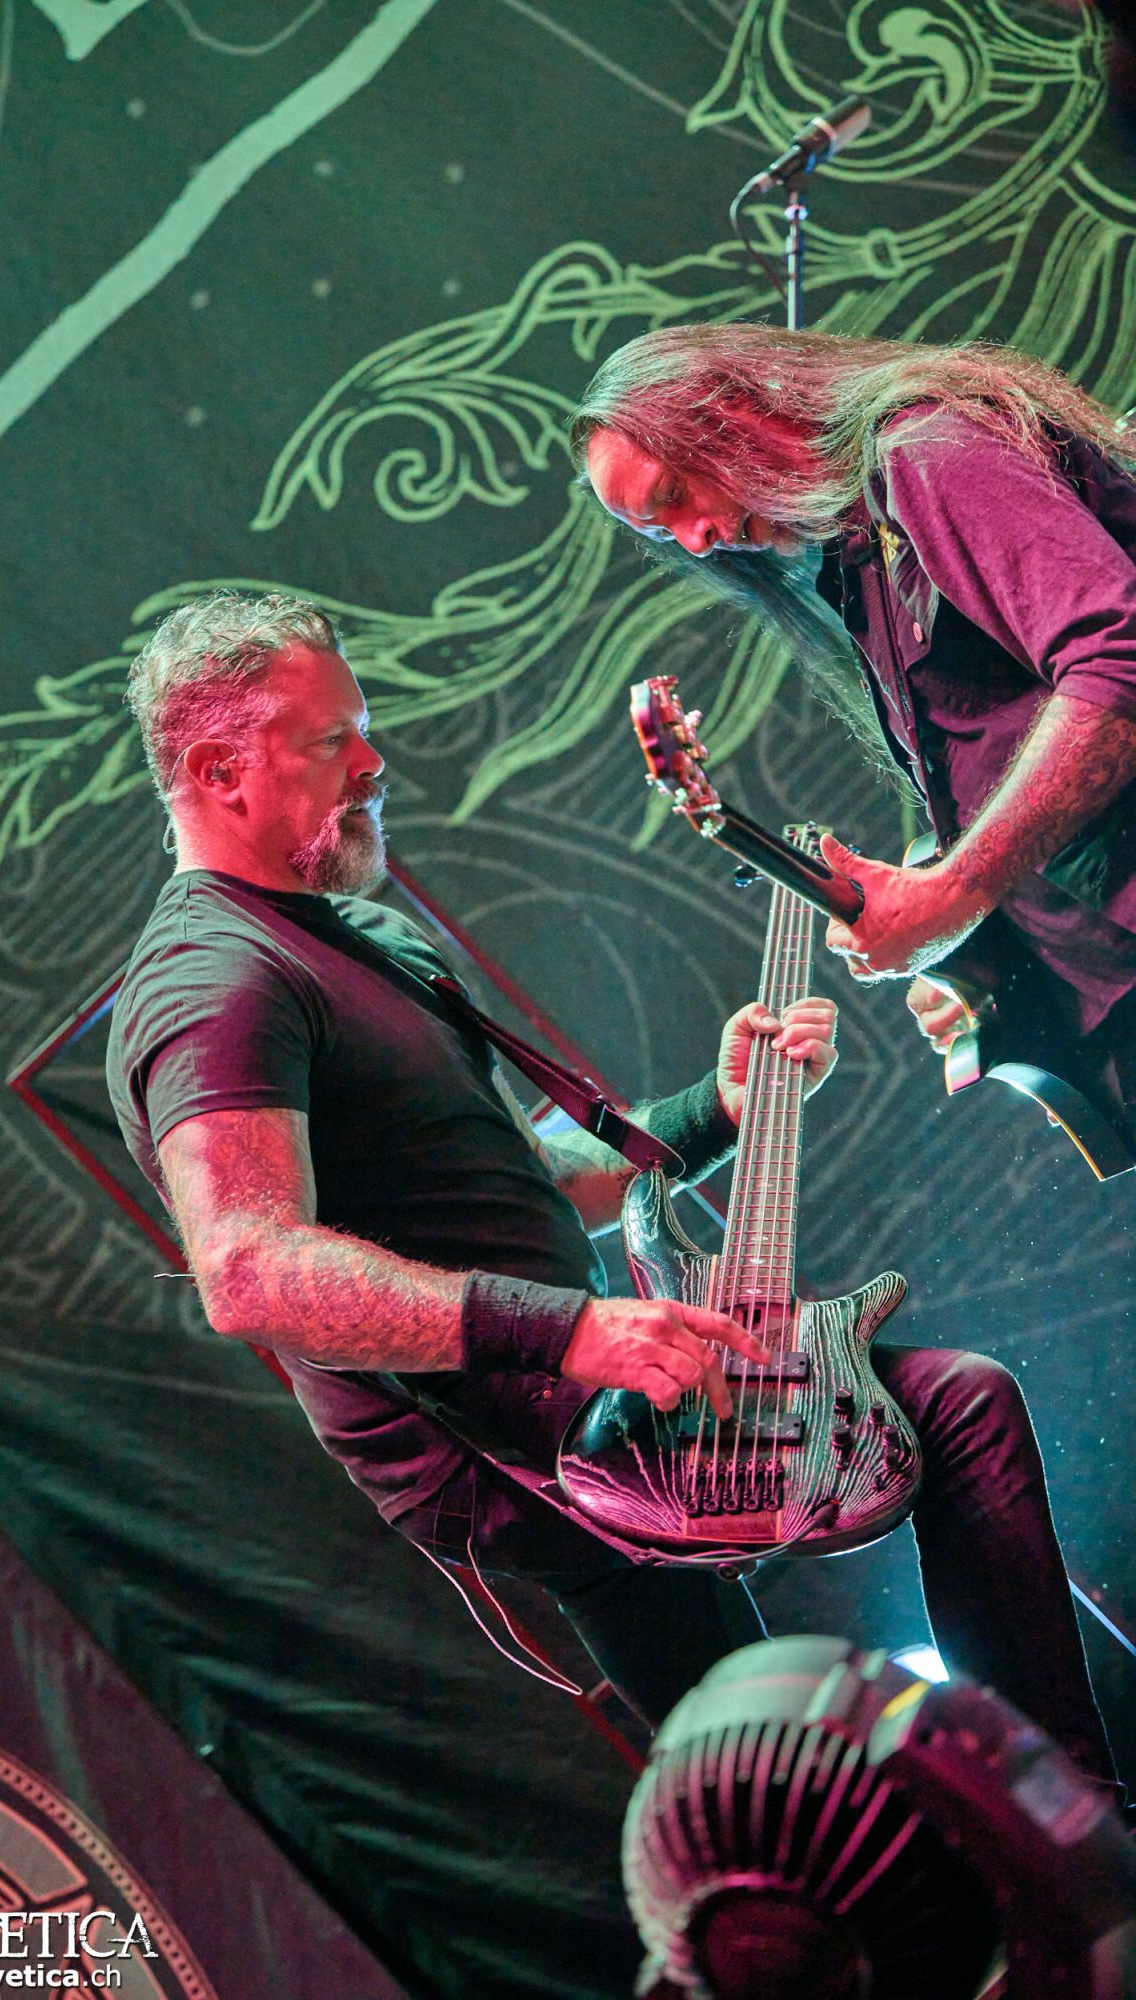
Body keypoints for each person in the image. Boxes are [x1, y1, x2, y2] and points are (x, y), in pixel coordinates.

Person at [105, 587, 1115, 1781]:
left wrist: (716, 1106)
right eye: (333, 741)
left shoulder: (364, 937)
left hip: (588, 1379)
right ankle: (1047, 1829)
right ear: (218, 770)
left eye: (362, 727)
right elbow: (248, 1270)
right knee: (782, 1751)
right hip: (506, 1440)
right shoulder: (210, 978)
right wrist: (571, 1329)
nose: (374, 763)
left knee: (944, 1429)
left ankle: (1057, 1811)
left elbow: (533, 1176)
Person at [570, 323, 1136, 1126]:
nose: (698, 541)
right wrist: (979, 955)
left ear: (727, 409)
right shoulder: (860, 552)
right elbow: (1017, 750)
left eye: (675, 495)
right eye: (663, 533)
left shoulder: (928, 452)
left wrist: (956, 894)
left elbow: (1117, 661)